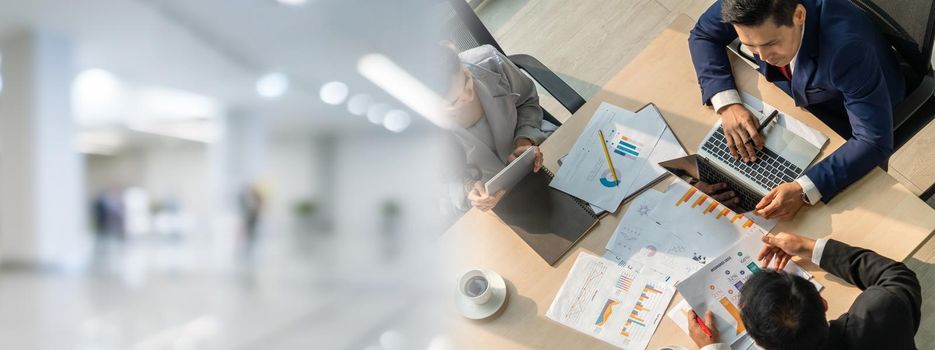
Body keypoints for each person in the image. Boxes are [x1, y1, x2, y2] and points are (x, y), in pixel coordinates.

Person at [689, 0, 905, 221]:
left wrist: (802, 189)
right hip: (800, 93)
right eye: (750, 46)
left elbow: (873, 140)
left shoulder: (847, 50)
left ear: (799, 15)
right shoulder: (743, 5)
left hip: (848, 112)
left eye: (770, 43)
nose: (762, 57)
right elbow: (704, 34)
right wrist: (727, 104)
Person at [687, 232, 921, 349]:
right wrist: (810, 247)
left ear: (758, 342)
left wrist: (711, 346)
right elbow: (897, 276)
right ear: (823, 303)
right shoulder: (883, 310)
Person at [441, 44, 550, 212]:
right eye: (455, 102)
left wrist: (524, 140)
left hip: (538, 155)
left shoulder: (489, 61)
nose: (469, 96)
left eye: (467, 80)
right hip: (493, 200)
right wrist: (468, 188)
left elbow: (527, 100)